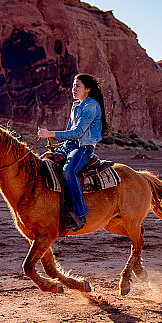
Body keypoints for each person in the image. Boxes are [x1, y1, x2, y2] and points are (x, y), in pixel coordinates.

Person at [37, 74, 108, 231]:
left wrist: (50, 134)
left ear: (87, 89)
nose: (74, 89)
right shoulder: (76, 105)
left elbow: (77, 133)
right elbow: (69, 130)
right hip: (69, 146)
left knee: (68, 171)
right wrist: (60, 145)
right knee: (41, 163)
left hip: (83, 148)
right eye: (73, 86)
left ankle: (80, 214)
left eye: (78, 86)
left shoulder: (91, 106)